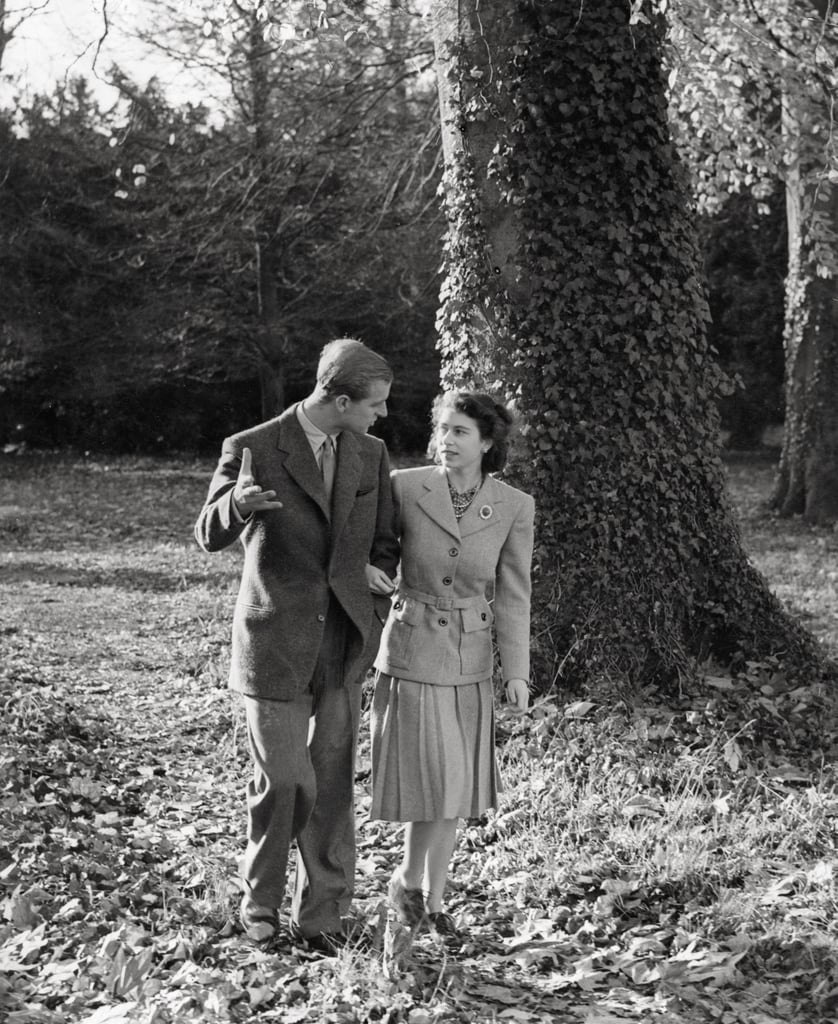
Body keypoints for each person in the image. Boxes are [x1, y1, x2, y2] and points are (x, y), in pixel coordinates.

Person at [194, 338, 398, 950]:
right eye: (375, 404)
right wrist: (236, 504)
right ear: (338, 399)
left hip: (342, 642)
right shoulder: (252, 446)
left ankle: (325, 912)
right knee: (285, 778)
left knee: (333, 782)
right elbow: (207, 533)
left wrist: (371, 577)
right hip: (274, 641)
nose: (382, 415)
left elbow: (383, 540)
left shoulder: (372, 453)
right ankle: (260, 900)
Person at [370, 389, 534, 940]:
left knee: (456, 788)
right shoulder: (405, 486)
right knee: (435, 781)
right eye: (442, 429)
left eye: (460, 431)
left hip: (470, 656)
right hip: (413, 646)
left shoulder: (513, 506)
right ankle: (410, 884)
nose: (446, 441)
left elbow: (514, 593)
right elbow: (376, 554)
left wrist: (516, 670)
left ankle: (430, 899)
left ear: (488, 442)